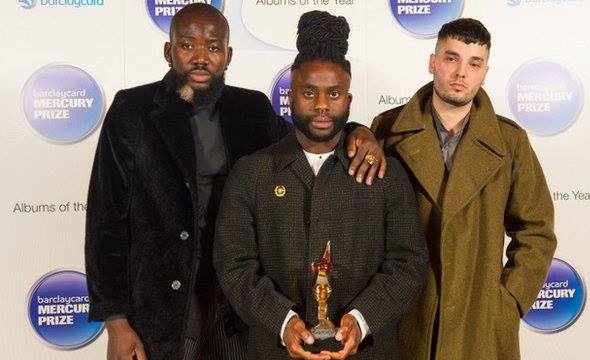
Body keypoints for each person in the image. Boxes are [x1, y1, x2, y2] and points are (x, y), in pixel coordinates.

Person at [84, 4, 385, 360]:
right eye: (188, 45)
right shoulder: (131, 111)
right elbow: (105, 222)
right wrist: (116, 323)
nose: (201, 58)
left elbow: (308, 139)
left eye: (213, 48)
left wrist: (357, 130)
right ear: (169, 51)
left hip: (236, 305)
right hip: (159, 308)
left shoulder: (251, 109)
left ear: (227, 56)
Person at [213, 11, 428, 360]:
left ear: (349, 100)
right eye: (309, 93)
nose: (323, 105)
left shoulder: (386, 176)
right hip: (273, 350)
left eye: (334, 93)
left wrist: (361, 320)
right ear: (290, 96)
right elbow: (234, 264)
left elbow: (408, 264)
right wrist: (282, 321)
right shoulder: (251, 173)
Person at [371, 18, 557, 360]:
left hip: (479, 325)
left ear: (485, 71)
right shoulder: (387, 130)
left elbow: (536, 230)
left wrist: (508, 301)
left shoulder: (510, 142)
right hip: (405, 318)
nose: (461, 73)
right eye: (451, 58)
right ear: (432, 62)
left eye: (474, 63)